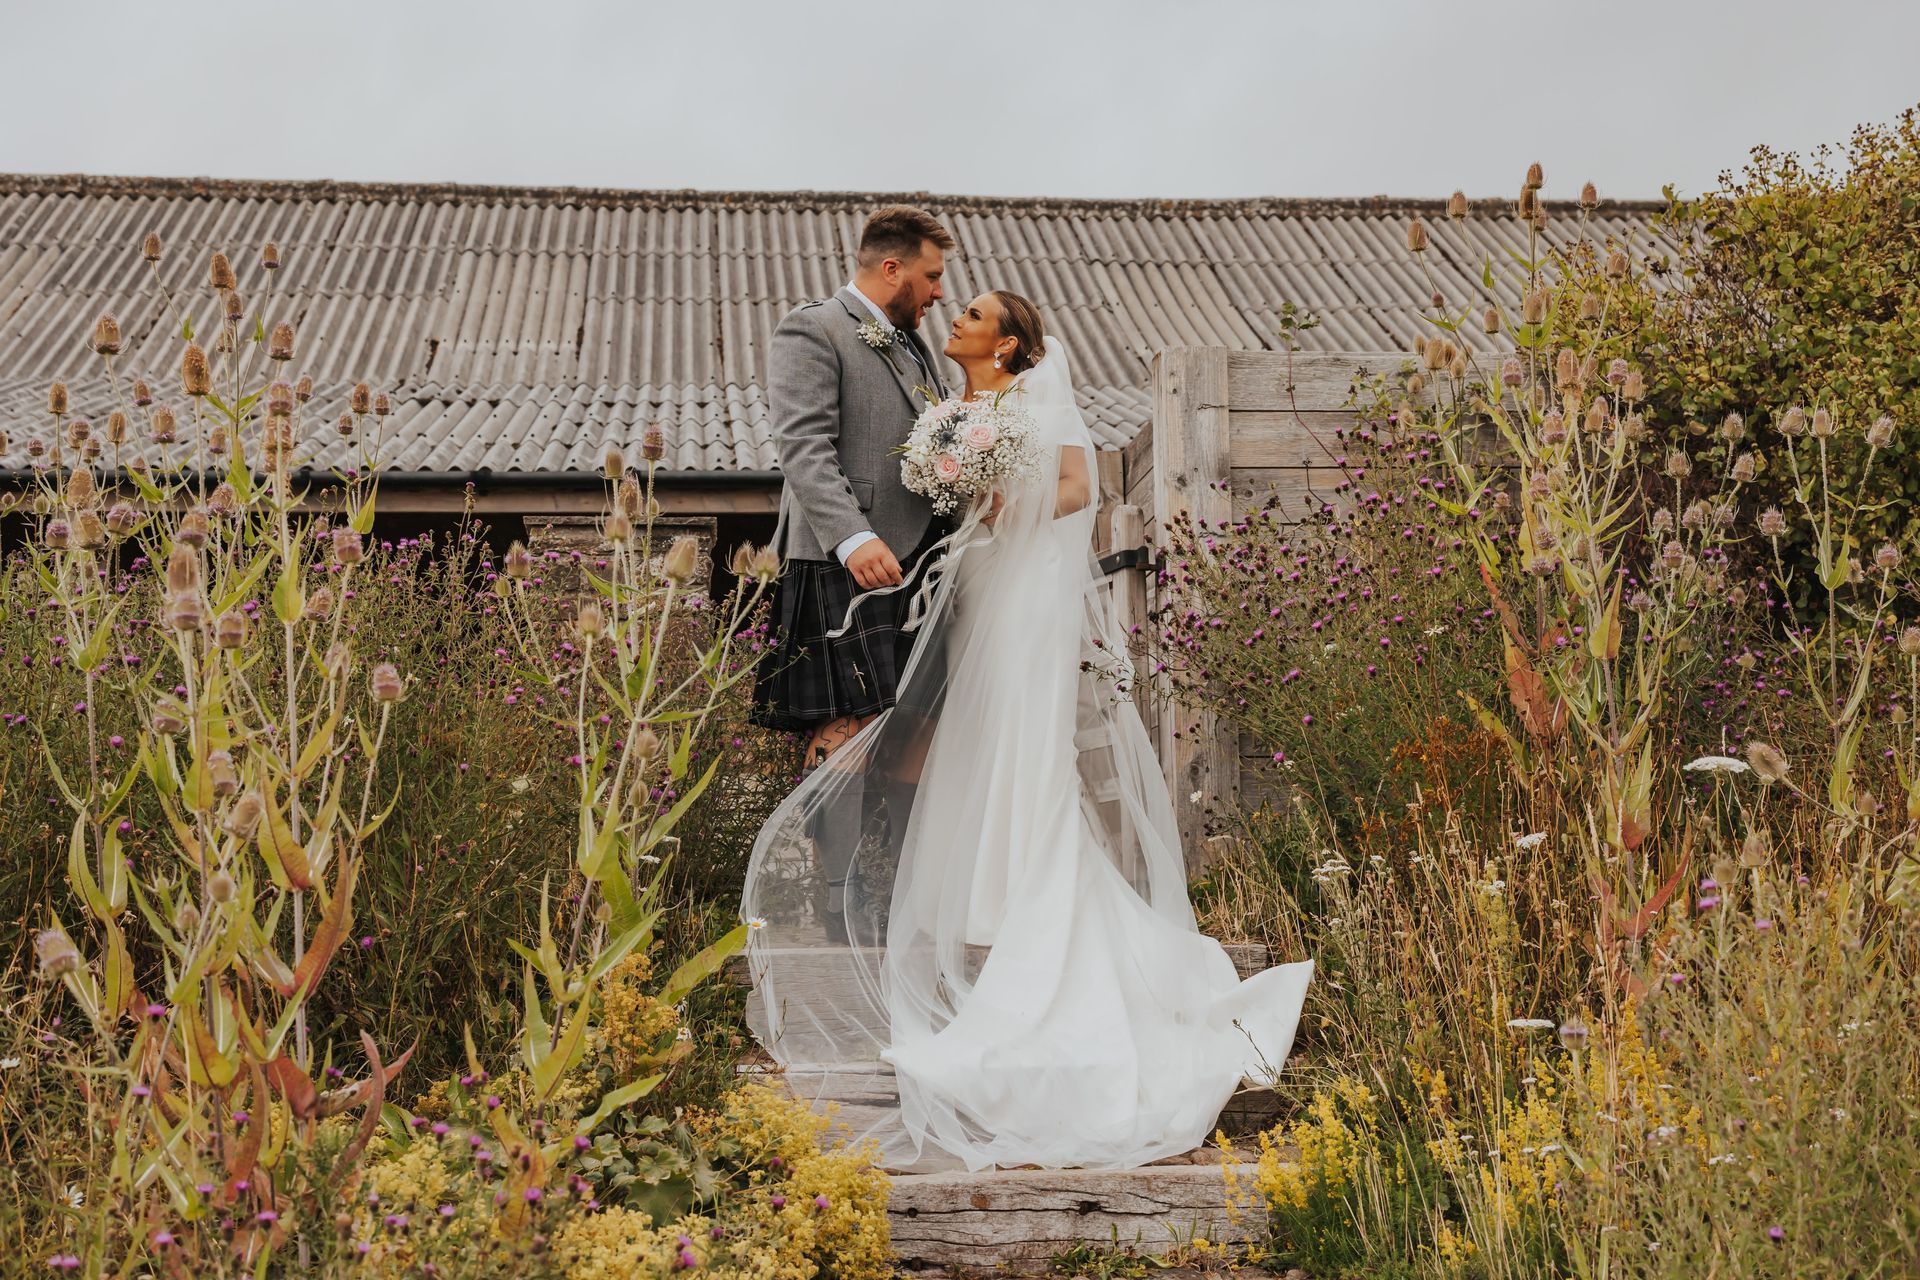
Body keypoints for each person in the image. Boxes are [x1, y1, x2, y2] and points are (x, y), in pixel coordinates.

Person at [744, 275, 1313, 1174]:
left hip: (1022, 600)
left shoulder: (1032, 399)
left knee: (1020, 739)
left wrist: (1002, 506)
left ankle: (1026, 902)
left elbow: (1079, 487)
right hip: (969, 589)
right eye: (957, 308)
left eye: (972, 315)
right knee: (967, 744)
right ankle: (981, 893)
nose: (955, 318)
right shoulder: (952, 406)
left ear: (1006, 344)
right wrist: (959, 493)